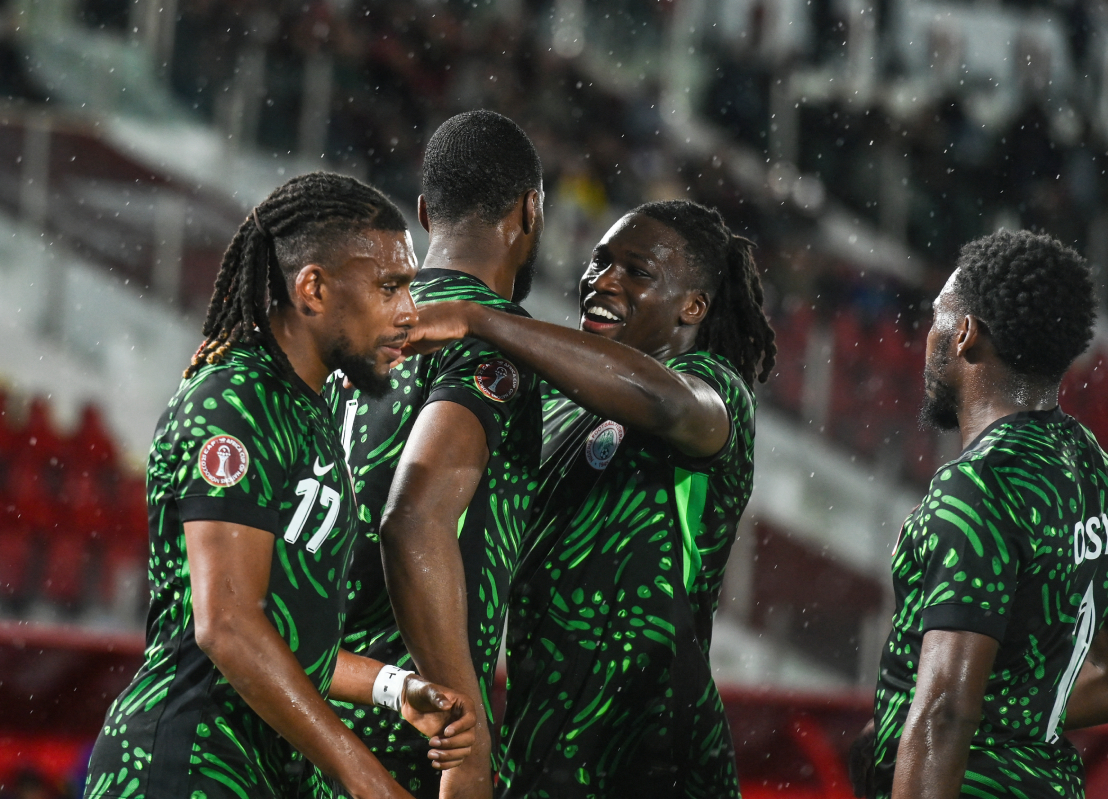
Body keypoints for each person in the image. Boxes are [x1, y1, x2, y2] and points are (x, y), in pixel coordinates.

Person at [83, 173, 476, 799]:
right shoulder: (235, 401)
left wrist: (392, 687)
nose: (409, 312)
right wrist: (366, 778)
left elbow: (290, 633)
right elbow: (228, 626)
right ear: (313, 289)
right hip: (183, 764)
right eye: (389, 287)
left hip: (256, 770)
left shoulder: (308, 409)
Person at [401, 199, 777, 798]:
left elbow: (662, 402)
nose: (603, 281)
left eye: (638, 272)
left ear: (693, 307)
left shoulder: (712, 394)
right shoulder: (551, 405)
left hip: (651, 750)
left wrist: (482, 319)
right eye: (600, 262)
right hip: (541, 736)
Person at [849, 230, 1108, 799]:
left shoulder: (977, 489)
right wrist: (1010, 719)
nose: (930, 336)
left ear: (965, 334)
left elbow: (945, 711)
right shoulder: (1101, 477)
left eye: (940, 317)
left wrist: (947, 729)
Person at [319, 111, 544, 799]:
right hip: (414, 737)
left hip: (315, 718)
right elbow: (413, 517)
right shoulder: (494, 339)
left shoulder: (353, 336)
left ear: (423, 212)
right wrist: (464, 738)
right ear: (529, 212)